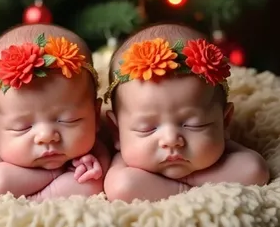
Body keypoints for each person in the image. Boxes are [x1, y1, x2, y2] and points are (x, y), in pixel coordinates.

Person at [104, 22, 270, 202]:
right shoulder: (126, 164)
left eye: (194, 125)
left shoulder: (220, 149)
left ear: (225, 122)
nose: (171, 140)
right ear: (117, 132)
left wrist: (183, 182)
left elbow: (255, 171)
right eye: (147, 128)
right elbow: (121, 187)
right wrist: (191, 185)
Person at [0, 23, 109, 201]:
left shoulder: (96, 146)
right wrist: (58, 172)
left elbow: (98, 179)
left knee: (90, 182)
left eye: (69, 120)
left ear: (95, 116)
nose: (46, 136)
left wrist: (96, 166)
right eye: (22, 127)